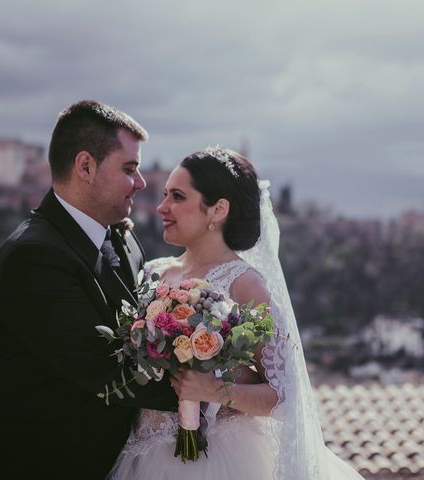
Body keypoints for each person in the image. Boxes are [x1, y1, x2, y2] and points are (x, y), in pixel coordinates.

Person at [0, 100, 177, 480]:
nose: (140, 183)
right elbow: (107, 371)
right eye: (129, 169)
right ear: (85, 166)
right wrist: (212, 386)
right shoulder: (33, 257)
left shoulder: (123, 238)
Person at [108, 147, 364, 479]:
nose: (161, 207)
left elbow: (285, 395)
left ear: (217, 210)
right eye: (165, 194)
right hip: (142, 456)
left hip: (215, 462)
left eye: (177, 196)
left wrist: (214, 392)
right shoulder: (155, 273)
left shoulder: (245, 286)